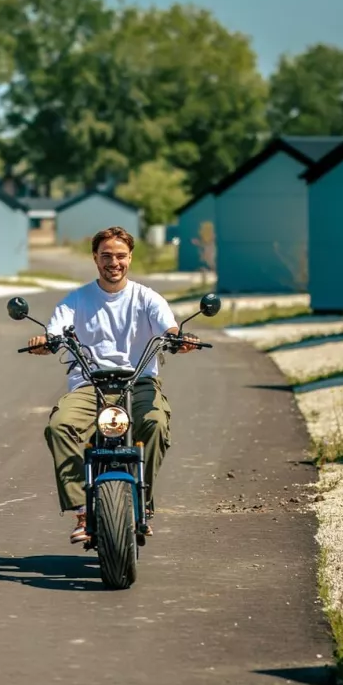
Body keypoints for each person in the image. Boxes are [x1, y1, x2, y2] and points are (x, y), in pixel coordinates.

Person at [27, 226, 199, 544]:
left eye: (120, 256)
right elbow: (55, 332)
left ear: (130, 257)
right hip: (89, 385)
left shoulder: (147, 298)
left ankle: (143, 507)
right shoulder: (75, 301)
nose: (114, 262)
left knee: (156, 422)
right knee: (60, 425)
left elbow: (168, 327)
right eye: (106, 256)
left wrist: (178, 339)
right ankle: (81, 509)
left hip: (139, 382)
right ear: (95, 258)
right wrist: (45, 342)